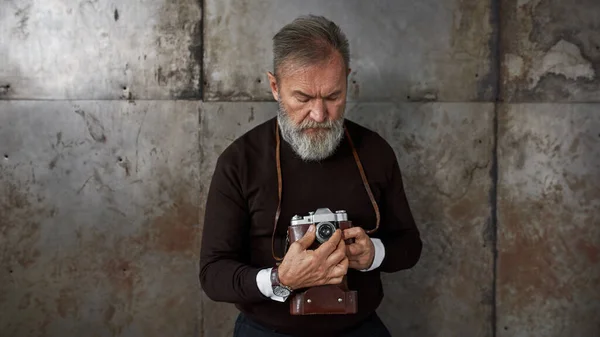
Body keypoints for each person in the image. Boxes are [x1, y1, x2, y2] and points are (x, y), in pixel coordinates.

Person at [199, 14, 422, 337]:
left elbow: (410, 245)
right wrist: (280, 279)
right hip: (266, 330)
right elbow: (213, 274)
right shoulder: (239, 161)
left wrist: (374, 253)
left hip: (359, 328)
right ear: (275, 86)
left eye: (333, 96)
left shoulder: (375, 152)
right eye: (302, 98)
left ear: (348, 79)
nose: (319, 115)